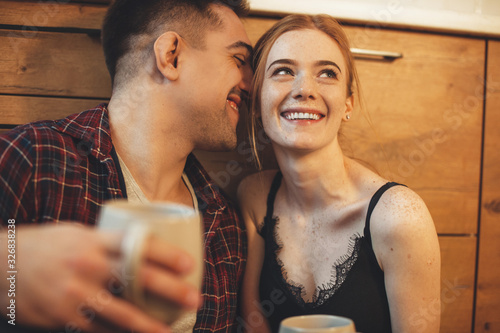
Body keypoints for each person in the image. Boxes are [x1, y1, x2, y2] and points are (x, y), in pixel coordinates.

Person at [0, 0, 253, 332]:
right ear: (171, 55)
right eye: (239, 59)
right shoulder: (33, 158)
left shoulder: (227, 226)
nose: (251, 83)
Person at [237, 14, 441, 333]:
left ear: (348, 104)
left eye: (327, 73)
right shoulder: (253, 196)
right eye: (283, 71)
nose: (304, 89)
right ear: (256, 100)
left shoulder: (400, 216)